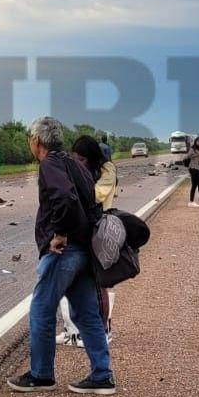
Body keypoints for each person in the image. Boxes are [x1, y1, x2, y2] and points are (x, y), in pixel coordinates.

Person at [7, 117, 115, 395]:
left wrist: (60, 233)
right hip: (85, 250)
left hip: (64, 252)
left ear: (36, 141)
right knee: (87, 314)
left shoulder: (50, 164)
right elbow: (91, 201)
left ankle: (41, 375)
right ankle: (102, 375)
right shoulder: (74, 164)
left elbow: (64, 197)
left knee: (41, 310)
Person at [71, 134, 117, 335]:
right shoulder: (79, 171)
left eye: (81, 159)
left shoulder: (107, 170)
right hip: (80, 229)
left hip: (100, 229)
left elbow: (96, 196)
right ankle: (77, 330)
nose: (78, 163)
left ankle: (103, 330)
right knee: (77, 283)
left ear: (91, 158)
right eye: (75, 159)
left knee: (98, 284)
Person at [184, 137, 199, 207]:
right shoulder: (193, 149)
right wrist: (190, 161)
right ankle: (191, 202)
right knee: (194, 185)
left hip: (197, 169)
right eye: (198, 141)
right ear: (195, 142)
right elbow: (186, 157)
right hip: (193, 168)